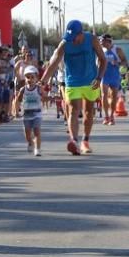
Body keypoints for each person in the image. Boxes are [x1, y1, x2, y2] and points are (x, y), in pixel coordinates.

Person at [39, 20, 105, 156]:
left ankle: (85, 141)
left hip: (90, 81)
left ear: (81, 34)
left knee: (88, 111)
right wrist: (43, 81)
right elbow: (54, 62)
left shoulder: (91, 40)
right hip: (72, 82)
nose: (72, 40)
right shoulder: (65, 43)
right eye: (70, 37)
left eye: (74, 37)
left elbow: (103, 60)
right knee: (73, 109)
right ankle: (74, 141)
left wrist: (99, 78)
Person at [14, 66, 43, 155]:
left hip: (37, 113)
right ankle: (30, 142)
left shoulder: (38, 88)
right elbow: (18, 100)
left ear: (36, 78)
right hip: (26, 114)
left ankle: (37, 149)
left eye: (32, 77)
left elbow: (45, 96)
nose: (30, 79)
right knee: (27, 134)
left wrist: (51, 98)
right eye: (27, 77)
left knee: (37, 131)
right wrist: (16, 112)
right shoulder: (23, 89)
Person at [99, 34, 125, 125]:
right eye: (100, 41)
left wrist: (117, 63)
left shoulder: (118, 50)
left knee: (114, 97)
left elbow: (125, 62)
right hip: (104, 76)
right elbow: (97, 63)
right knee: (103, 95)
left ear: (108, 41)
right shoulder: (100, 50)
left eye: (102, 41)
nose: (100, 43)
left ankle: (112, 116)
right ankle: (106, 116)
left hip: (115, 76)